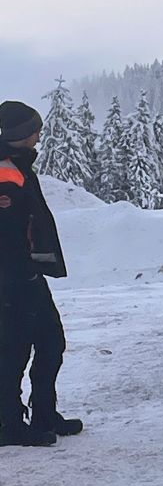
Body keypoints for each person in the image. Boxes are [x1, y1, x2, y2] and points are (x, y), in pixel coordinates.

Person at [0, 102, 82, 447]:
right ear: (20, 135)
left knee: (51, 341)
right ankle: (9, 424)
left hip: (27, 274)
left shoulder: (17, 166)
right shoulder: (6, 173)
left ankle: (44, 411)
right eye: (35, 129)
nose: (39, 134)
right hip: (12, 278)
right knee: (13, 350)